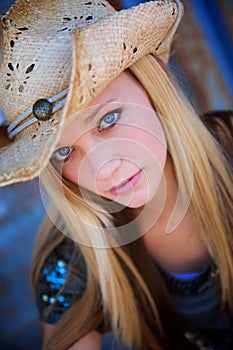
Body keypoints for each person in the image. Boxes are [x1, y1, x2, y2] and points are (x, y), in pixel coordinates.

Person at [0, 0, 232, 349]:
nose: (103, 168)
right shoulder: (73, 264)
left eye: (108, 120)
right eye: (64, 151)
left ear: (154, 85)